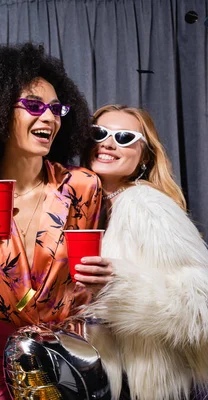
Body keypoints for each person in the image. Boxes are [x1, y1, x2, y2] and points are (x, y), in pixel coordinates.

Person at [0, 42, 105, 399]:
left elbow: (87, 282)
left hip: (59, 351)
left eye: (56, 109)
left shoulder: (82, 187)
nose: (48, 118)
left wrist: (101, 278)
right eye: (33, 106)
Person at [78, 105, 208, 400]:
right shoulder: (79, 204)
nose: (109, 143)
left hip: (142, 385)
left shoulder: (146, 206)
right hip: (98, 378)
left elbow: (201, 304)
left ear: (145, 156)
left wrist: (118, 284)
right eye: (99, 133)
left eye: (124, 137)